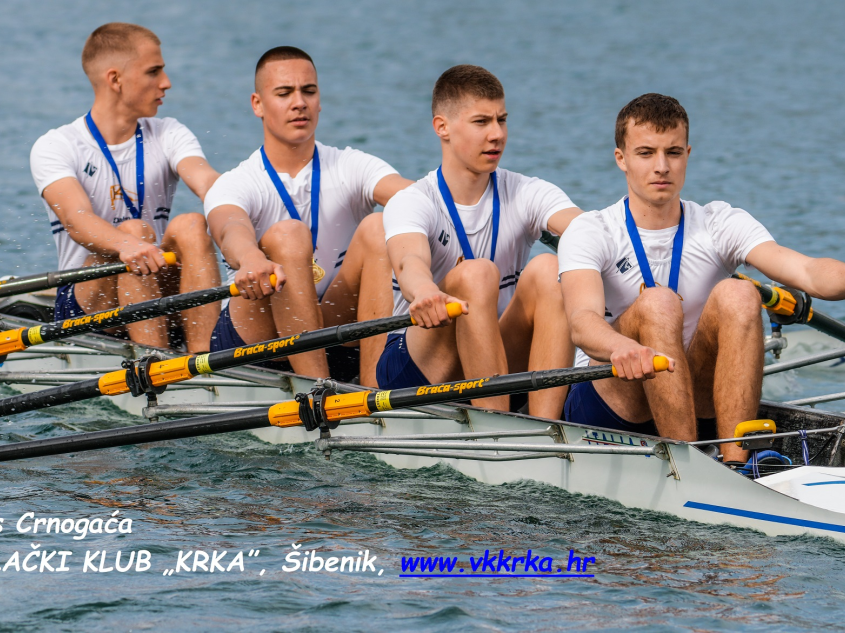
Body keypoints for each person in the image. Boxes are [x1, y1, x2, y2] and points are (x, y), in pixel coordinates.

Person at [557, 93, 845, 463]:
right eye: (646, 153)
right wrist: (619, 348)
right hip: (611, 404)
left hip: (695, 397)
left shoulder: (718, 222)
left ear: (688, 155)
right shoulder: (591, 230)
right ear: (622, 159)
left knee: (739, 293)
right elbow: (582, 322)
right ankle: (688, 465)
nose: (661, 166)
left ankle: (738, 464)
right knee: (658, 302)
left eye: (673, 153)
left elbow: (807, 272)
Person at [379, 65, 582, 417]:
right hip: (415, 366)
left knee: (551, 268)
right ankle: (498, 429)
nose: (497, 134)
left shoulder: (526, 191)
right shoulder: (413, 201)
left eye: (501, 120)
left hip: (492, 351)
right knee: (476, 275)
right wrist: (425, 291)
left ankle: (546, 430)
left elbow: (584, 228)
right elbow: (409, 261)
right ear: (442, 127)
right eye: (481, 122)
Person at [203, 46, 411, 386]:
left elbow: (411, 196)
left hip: (330, 331)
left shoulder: (352, 165)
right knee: (288, 235)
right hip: (255, 343)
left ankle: (373, 397)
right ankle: (321, 393)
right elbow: (229, 228)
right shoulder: (237, 182)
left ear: (319, 100)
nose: (299, 102)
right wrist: (251, 257)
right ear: (257, 104)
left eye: (309, 91)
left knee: (378, 226)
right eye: (284, 93)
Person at [30, 22, 222, 352]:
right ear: (115, 79)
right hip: (86, 304)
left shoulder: (168, 132)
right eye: (154, 72)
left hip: (151, 287)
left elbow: (208, 183)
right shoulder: (57, 145)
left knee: (191, 224)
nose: (166, 83)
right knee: (136, 231)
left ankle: (204, 360)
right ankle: (155, 361)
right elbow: (77, 220)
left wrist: (252, 219)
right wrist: (125, 244)